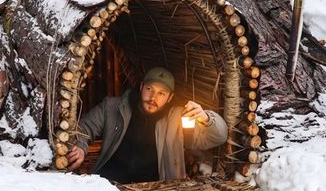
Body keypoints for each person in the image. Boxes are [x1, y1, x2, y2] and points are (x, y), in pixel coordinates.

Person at [66, 67, 228, 183]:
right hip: (109, 184)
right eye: (150, 89)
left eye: (161, 93)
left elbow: (219, 137)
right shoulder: (112, 107)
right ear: (141, 87)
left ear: (170, 97)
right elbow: (84, 127)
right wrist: (80, 146)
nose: (153, 97)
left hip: (155, 189)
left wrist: (207, 118)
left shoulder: (178, 118)